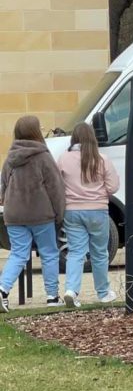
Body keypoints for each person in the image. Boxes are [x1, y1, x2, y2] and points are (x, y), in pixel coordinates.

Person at [0, 116, 65, 311]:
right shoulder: (43, 156)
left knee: (18, 253)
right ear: (36, 132)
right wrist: (59, 214)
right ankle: (52, 296)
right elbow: (56, 188)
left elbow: (3, 187)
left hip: (14, 214)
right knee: (49, 253)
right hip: (40, 214)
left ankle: (2, 289)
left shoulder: (10, 158)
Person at [56, 123, 120, 307]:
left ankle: (71, 290)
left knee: (76, 252)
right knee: (99, 252)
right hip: (97, 210)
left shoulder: (63, 158)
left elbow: (57, 185)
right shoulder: (101, 158)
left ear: (73, 138)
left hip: (72, 211)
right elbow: (113, 187)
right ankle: (103, 292)